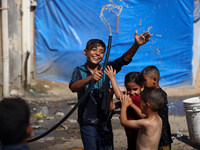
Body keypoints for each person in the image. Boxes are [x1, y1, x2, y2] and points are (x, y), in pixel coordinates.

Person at [69, 30, 151, 150]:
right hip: (87, 122)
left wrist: (136, 45)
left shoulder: (106, 69)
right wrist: (90, 78)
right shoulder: (79, 71)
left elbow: (125, 59)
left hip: (105, 121)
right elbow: (73, 87)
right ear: (85, 52)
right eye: (94, 49)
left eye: (101, 51)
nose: (97, 53)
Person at [105, 66, 145, 150]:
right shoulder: (128, 99)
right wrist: (110, 95)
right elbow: (110, 107)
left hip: (141, 139)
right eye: (128, 89)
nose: (131, 93)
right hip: (131, 137)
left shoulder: (139, 99)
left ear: (142, 87)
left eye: (135, 89)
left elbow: (119, 96)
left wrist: (112, 78)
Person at [141, 65, 173, 150]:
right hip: (155, 136)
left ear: (154, 80)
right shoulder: (150, 93)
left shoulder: (160, 96)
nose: (142, 83)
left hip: (162, 139)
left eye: (144, 80)